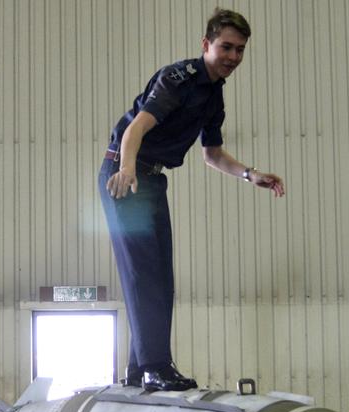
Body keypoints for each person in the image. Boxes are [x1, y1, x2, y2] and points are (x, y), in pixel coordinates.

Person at [99, 8, 286, 392]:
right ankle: (155, 367)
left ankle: (139, 367)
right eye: (226, 47)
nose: (233, 57)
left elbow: (212, 154)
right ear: (206, 44)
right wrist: (129, 170)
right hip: (125, 176)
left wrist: (252, 175)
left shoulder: (214, 95)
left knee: (161, 277)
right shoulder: (178, 79)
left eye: (240, 50)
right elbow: (135, 129)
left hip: (151, 180)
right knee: (144, 274)